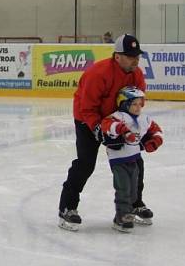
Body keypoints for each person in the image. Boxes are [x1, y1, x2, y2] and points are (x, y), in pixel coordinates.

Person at [58, 34, 149, 231]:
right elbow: (87, 107)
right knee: (85, 164)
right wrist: (98, 129)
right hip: (87, 119)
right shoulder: (98, 73)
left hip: (118, 120)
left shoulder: (137, 74)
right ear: (117, 56)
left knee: (134, 160)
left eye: (137, 55)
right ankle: (67, 207)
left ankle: (134, 204)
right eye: (130, 55)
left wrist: (135, 126)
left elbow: (138, 103)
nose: (136, 59)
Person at [100, 87, 163, 233]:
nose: (138, 107)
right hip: (118, 160)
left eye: (140, 104)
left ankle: (130, 211)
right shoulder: (118, 116)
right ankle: (121, 217)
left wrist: (155, 141)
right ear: (124, 104)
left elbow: (157, 130)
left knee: (134, 190)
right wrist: (123, 130)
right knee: (123, 188)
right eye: (134, 104)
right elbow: (106, 124)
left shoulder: (144, 119)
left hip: (134, 159)